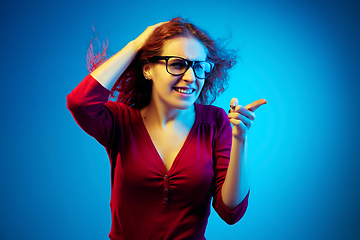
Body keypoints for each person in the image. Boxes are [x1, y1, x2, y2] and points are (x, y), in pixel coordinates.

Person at [67, 17, 266, 240]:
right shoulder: (121, 121)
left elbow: (231, 211)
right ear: (148, 69)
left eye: (199, 66)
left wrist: (240, 138)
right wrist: (137, 44)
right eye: (178, 64)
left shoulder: (214, 122)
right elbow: (80, 103)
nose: (191, 77)